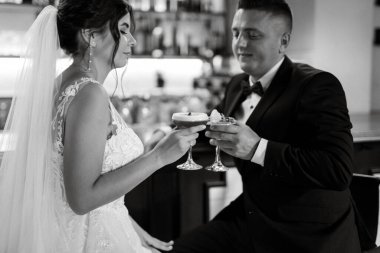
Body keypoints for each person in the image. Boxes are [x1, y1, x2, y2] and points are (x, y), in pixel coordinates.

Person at [0, 1, 205, 252]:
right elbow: (82, 198)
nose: (132, 41)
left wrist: (131, 227)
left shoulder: (59, 85)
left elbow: (67, 184)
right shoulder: (90, 93)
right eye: (124, 29)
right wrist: (160, 155)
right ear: (91, 35)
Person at [172, 0, 362, 252]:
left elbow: (337, 170)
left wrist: (257, 149)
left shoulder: (318, 86)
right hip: (252, 218)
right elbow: (214, 121)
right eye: (236, 33)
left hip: (308, 234)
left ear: (283, 42)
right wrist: (170, 132)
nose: (240, 43)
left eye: (253, 35)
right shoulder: (237, 84)